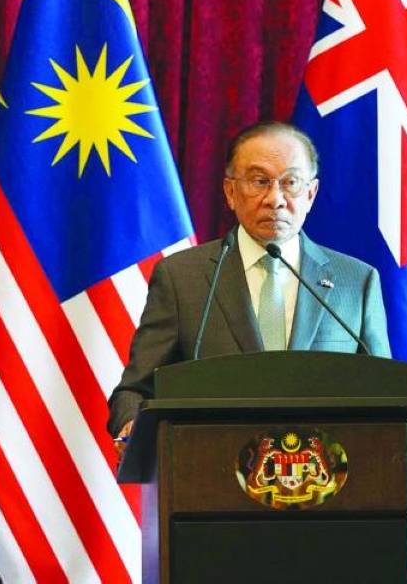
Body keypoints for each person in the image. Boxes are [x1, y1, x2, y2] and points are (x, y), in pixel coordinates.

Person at [108, 120, 390, 440]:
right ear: (230, 191)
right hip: (210, 474)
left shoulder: (356, 281)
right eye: (259, 181)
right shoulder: (181, 278)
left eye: (291, 183)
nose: (275, 199)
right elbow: (135, 391)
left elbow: (385, 394)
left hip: (326, 479)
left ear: (311, 194)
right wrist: (131, 424)